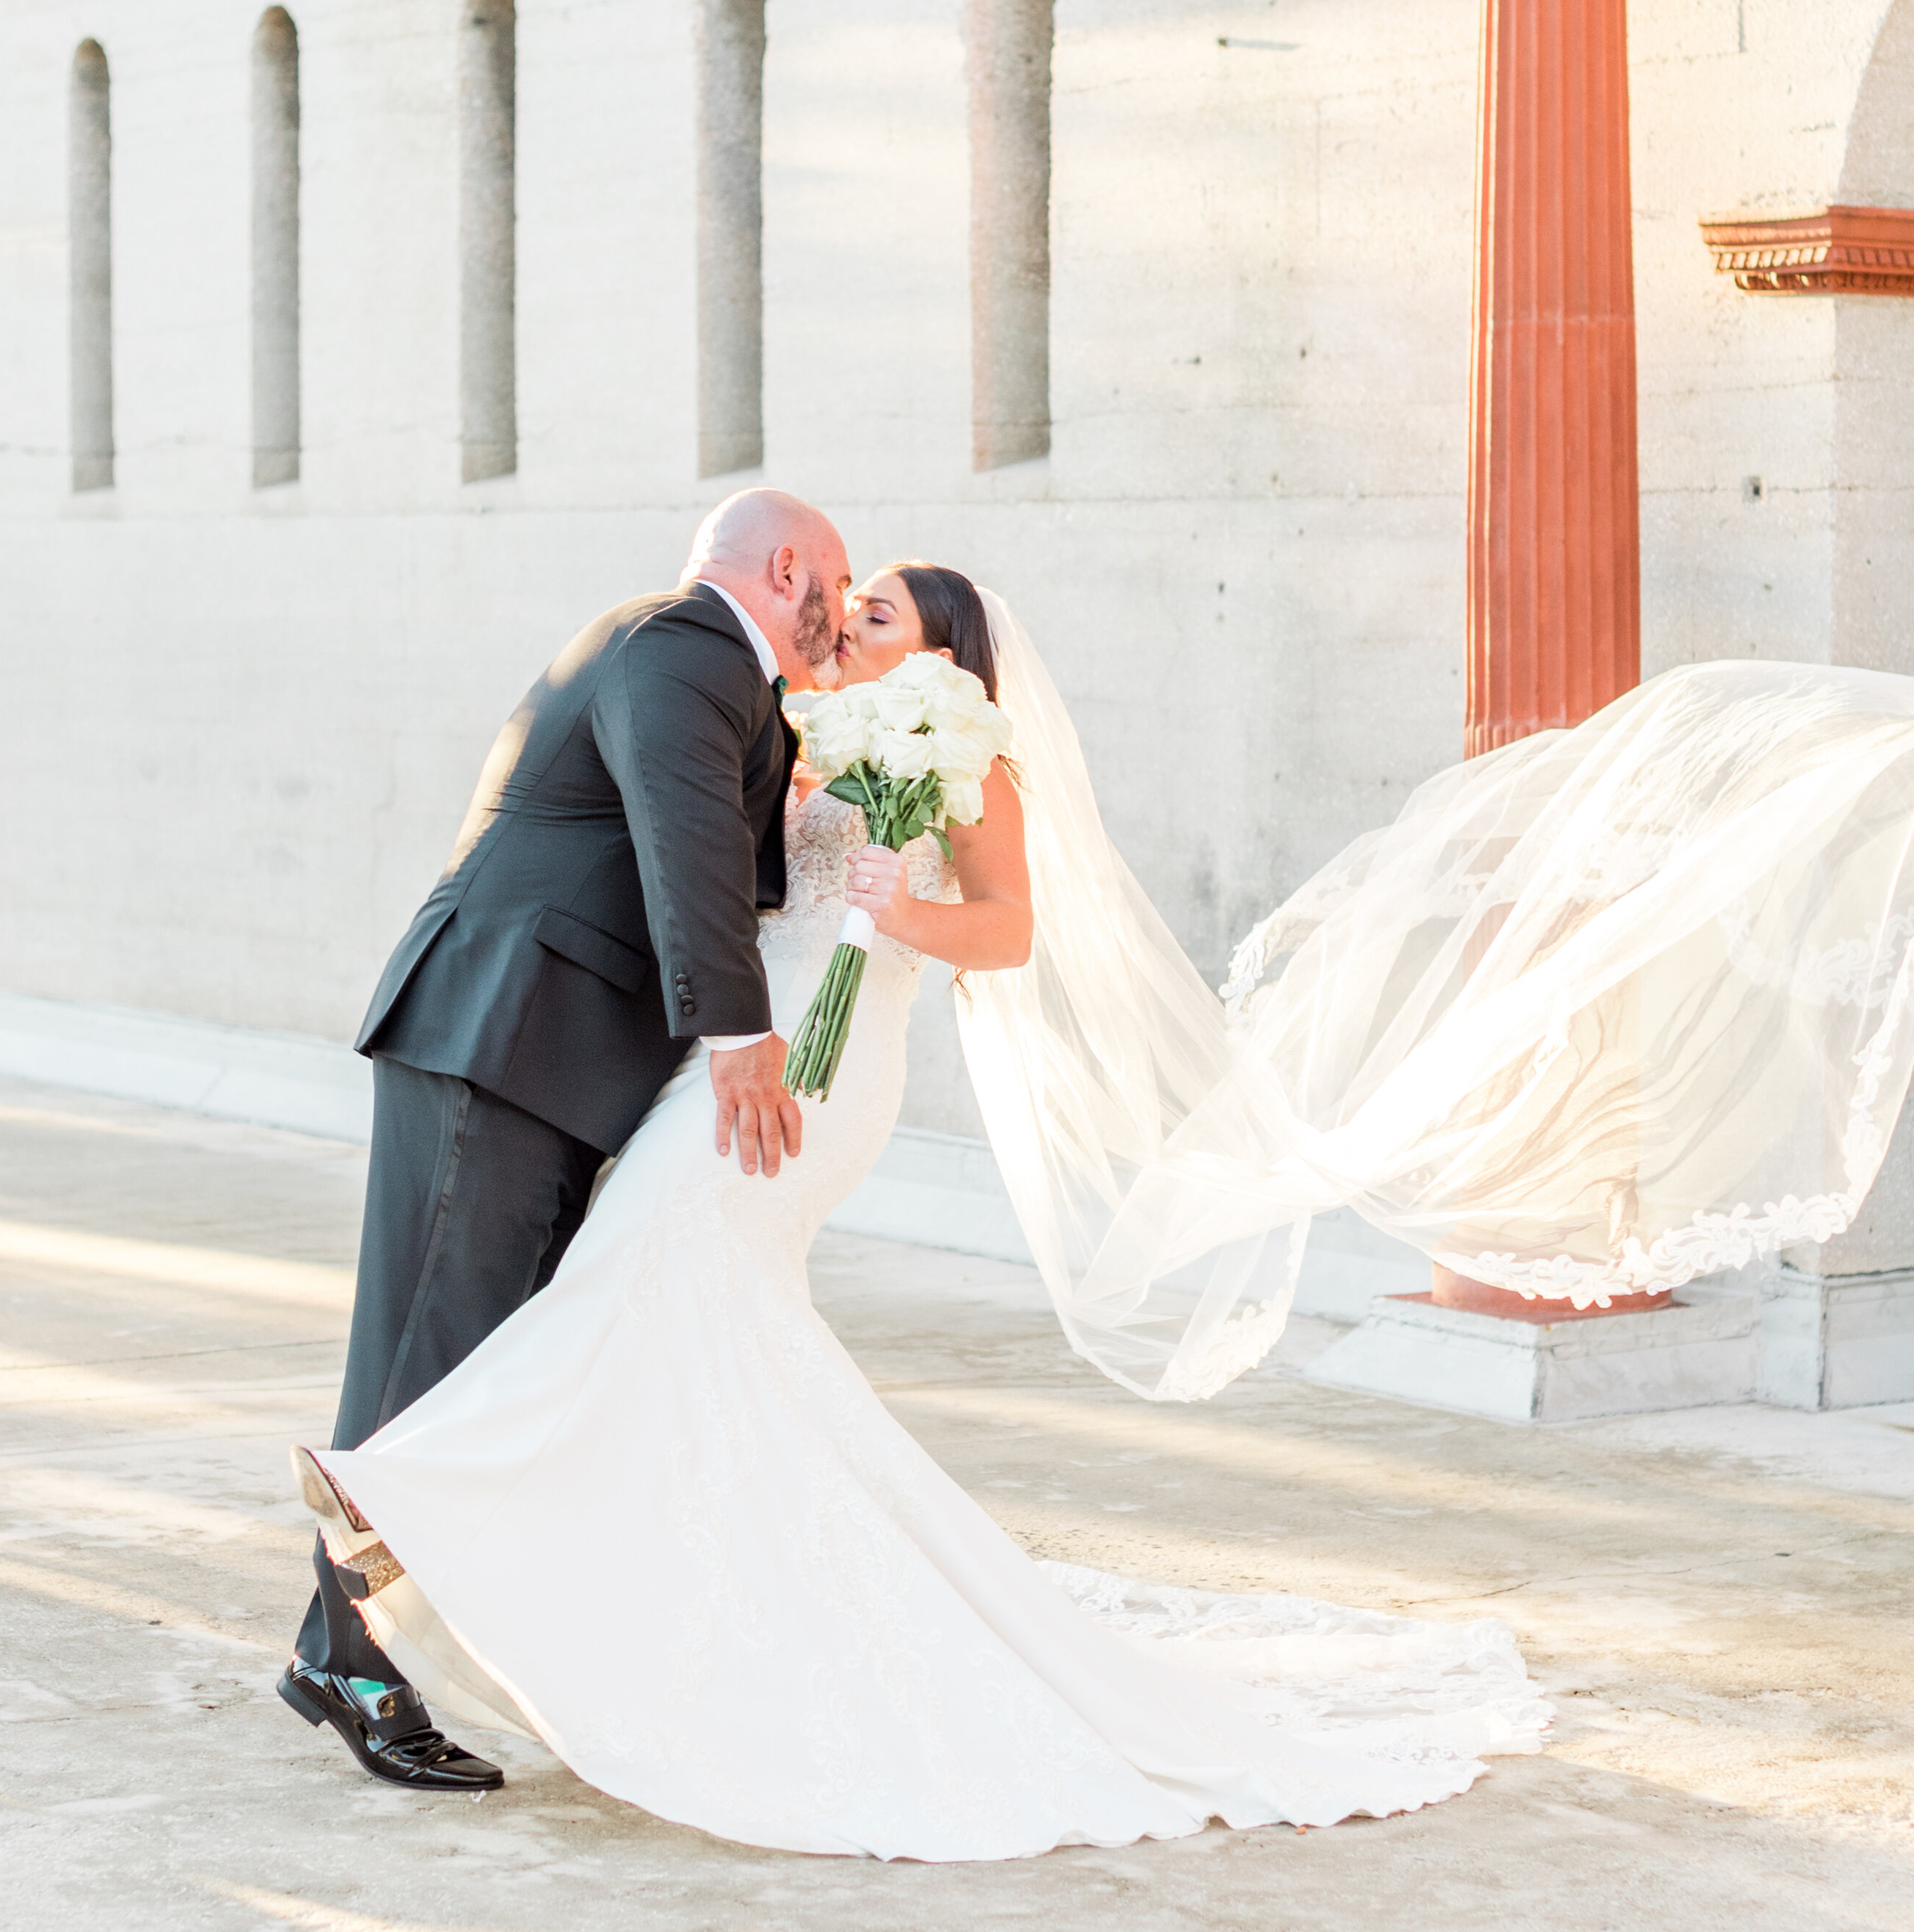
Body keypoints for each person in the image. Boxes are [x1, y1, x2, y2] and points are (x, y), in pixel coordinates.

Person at [292, 561, 1545, 1859]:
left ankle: (404, 1487)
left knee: (640, 1275)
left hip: (817, 1073)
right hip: (737, 1052)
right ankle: (639, 1585)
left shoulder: (967, 757)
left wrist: (908, 906)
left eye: (880, 610)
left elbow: (1010, 927)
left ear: (944, 659)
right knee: (680, 1316)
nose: (847, 617)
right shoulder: (800, 725)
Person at [278, 486, 853, 1790]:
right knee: (432, 1364)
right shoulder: (685, 644)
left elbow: (706, 829)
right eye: (837, 579)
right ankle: (348, 1655)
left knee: (487, 1369)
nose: (838, 609)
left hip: (538, 1051)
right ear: (783, 567)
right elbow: (682, 838)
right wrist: (739, 1036)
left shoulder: (697, 664)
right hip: (500, 1038)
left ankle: (362, 1644)